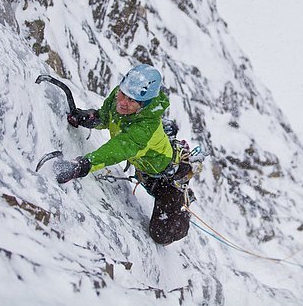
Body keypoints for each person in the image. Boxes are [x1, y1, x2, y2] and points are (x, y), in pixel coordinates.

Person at [54, 64, 199, 245]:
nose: (123, 102)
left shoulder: (145, 128)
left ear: (144, 104)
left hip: (168, 179)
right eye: (123, 94)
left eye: (132, 101)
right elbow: (106, 117)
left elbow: (118, 149)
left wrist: (84, 164)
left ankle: (184, 200)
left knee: (161, 234)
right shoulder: (120, 96)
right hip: (145, 168)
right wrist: (87, 118)